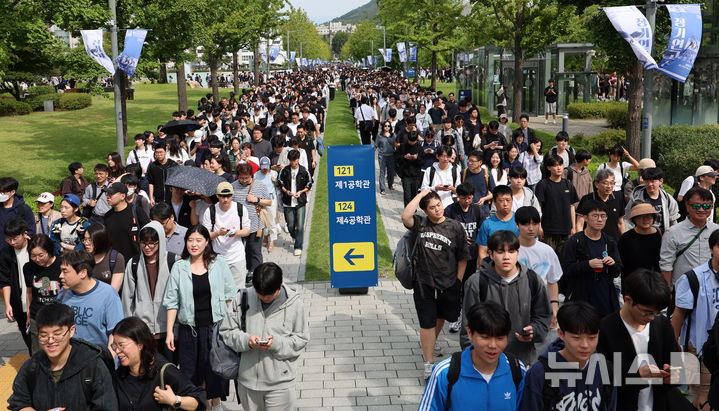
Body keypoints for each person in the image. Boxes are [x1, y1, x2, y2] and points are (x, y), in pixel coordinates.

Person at [163, 225, 236, 410]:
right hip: (189, 331)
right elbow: (172, 302)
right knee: (191, 373)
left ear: (206, 242)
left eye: (198, 240)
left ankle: (216, 404)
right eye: (190, 240)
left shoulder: (219, 263)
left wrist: (231, 325)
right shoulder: (179, 267)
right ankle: (201, 405)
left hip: (215, 328)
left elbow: (230, 295)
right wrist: (170, 332)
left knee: (215, 370)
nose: (193, 245)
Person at [219, 262, 309, 411]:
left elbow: (301, 339)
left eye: (269, 295)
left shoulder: (294, 303)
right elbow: (227, 331)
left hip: (280, 383)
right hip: (247, 382)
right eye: (259, 294)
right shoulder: (242, 298)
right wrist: (246, 341)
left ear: (281, 283)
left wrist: (276, 344)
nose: (264, 298)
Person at [599, 269, 692, 411]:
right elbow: (601, 379)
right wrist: (637, 376)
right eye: (647, 313)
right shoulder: (605, 329)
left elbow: (676, 365)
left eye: (657, 313)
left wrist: (673, 376)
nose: (652, 318)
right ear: (628, 300)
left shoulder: (662, 325)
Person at [402, 190, 470, 378]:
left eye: (438, 205)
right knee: (427, 322)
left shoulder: (455, 227)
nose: (437, 209)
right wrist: (421, 194)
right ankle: (429, 363)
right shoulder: (420, 224)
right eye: (432, 207)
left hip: (448, 283)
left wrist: (458, 281)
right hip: (423, 283)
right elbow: (405, 216)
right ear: (425, 211)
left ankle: (432, 341)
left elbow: (463, 257)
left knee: (441, 316)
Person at [461, 230, 552, 364]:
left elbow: (543, 315)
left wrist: (534, 330)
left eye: (511, 251)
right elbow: (467, 326)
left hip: (523, 359)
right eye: (500, 252)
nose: (506, 257)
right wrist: (472, 359)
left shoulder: (532, 279)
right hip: (487, 360)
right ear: (491, 254)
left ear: (518, 253)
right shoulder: (476, 282)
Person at [7, 304, 119, 411]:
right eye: (44, 335)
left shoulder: (93, 366)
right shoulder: (31, 366)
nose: (50, 340)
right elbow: (19, 403)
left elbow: (108, 406)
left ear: (71, 331)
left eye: (57, 334)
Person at [419, 302, 526, 411]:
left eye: (500, 338)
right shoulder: (445, 373)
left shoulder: (516, 370)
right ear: (470, 333)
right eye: (485, 337)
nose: (493, 345)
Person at [520, 301, 616, 410]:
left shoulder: (606, 371)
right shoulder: (540, 373)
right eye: (576, 338)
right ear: (561, 334)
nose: (585, 345)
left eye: (592, 338)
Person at [112, 317, 206, 410]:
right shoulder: (118, 377)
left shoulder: (164, 371)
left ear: (140, 344)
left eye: (121, 345)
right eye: (115, 345)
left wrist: (175, 400)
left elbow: (198, 400)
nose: (117, 350)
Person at [671, 228, 719, 409]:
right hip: (702, 346)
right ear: (711, 249)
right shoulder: (693, 278)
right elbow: (679, 313)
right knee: (706, 395)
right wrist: (674, 344)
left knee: (701, 395)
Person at [121, 221, 178, 363]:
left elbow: (180, 297)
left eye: (152, 243)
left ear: (161, 241)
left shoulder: (173, 261)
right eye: (143, 243)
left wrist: (176, 328)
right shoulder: (133, 263)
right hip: (143, 331)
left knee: (168, 369)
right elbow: (127, 298)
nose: (147, 247)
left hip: (168, 330)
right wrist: (130, 329)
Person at [562, 199, 622, 317]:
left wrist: (612, 264)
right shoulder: (575, 241)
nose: (600, 219)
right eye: (595, 216)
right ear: (585, 218)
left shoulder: (609, 241)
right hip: (581, 299)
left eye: (603, 216)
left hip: (605, 299)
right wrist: (588, 264)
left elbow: (617, 271)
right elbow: (566, 269)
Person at [444, 183, 489, 333]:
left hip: (472, 256)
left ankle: (466, 315)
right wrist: (459, 238)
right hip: (454, 257)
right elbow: (444, 230)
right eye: (464, 198)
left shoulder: (477, 210)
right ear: (458, 196)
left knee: (468, 287)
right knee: (455, 286)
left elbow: (483, 231)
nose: (467, 201)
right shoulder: (450, 210)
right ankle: (455, 317)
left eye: (470, 198)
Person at [57, 249, 123, 347]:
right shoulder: (64, 292)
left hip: (98, 355)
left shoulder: (108, 294)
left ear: (83, 273)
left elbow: (115, 333)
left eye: (65, 271)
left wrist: (110, 356)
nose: (60, 276)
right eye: (61, 271)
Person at [516, 206, 562, 334]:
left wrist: (554, 307)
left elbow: (552, 281)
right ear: (517, 225)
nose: (531, 228)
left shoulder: (547, 251)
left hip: (541, 307)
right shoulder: (510, 251)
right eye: (526, 224)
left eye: (535, 223)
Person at [660, 186, 719, 286]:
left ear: (712, 207)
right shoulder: (672, 232)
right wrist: (667, 291)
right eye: (696, 206)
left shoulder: (716, 230)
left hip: (712, 288)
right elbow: (666, 265)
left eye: (706, 206)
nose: (701, 210)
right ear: (687, 206)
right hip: (683, 289)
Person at [201, 182, 250, 285]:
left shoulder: (240, 209)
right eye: (222, 196)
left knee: (239, 289)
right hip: (216, 257)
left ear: (232, 195)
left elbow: (247, 231)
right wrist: (218, 233)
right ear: (217, 195)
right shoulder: (210, 211)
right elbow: (206, 236)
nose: (226, 199)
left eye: (228, 196)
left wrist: (236, 232)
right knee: (217, 288)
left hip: (237, 257)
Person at [24, 234, 63, 354]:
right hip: (37, 315)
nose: (37, 259)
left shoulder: (62, 264)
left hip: (59, 316)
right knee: (38, 351)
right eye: (33, 256)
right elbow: (29, 292)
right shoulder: (28, 267)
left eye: (41, 255)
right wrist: (28, 313)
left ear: (49, 251)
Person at [535, 155, 578, 257]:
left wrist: (573, 227)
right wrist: (539, 226)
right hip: (548, 230)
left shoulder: (568, 184)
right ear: (548, 168)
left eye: (560, 165)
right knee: (547, 259)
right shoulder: (543, 184)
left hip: (566, 229)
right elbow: (538, 207)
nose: (559, 168)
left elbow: (571, 206)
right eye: (555, 165)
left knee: (564, 260)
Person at [0, 218, 32, 353]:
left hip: (37, 300)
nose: (12, 242)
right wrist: (8, 304)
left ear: (25, 234)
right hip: (18, 301)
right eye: (9, 239)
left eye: (15, 239)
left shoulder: (35, 248)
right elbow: (5, 281)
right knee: (28, 337)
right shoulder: (5, 253)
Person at [104, 182, 151, 261]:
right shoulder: (107, 216)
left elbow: (149, 233)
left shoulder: (136, 212)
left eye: (111, 194)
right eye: (107, 194)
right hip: (115, 261)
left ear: (123, 196)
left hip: (135, 260)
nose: (108, 197)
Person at [625, 167, 679, 233]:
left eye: (653, 181)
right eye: (647, 181)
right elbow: (628, 218)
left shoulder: (668, 199)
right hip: (641, 235)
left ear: (661, 181)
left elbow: (673, 221)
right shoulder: (636, 198)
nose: (650, 184)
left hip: (662, 235)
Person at [279, 150, 313, 256]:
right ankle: (295, 236)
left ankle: (298, 246)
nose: (293, 163)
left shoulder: (303, 170)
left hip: (300, 201)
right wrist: (286, 191)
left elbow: (309, 183)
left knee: (300, 226)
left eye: (295, 160)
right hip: (288, 201)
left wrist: (301, 192)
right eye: (291, 161)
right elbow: (280, 182)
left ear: (298, 159)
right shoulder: (285, 170)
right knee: (290, 225)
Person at [576, 169, 626, 241]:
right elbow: (580, 223)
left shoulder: (618, 198)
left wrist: (624, 240)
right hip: (591, 241)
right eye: (605, 183)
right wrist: (580, 241)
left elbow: (620, 223)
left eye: (612, 183)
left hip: (613, 241)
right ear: (596, 184)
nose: (609, 186)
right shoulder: (587, 199)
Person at [477, 185, 520, 262]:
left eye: (508, 200)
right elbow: (482, 252)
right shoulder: (487, 224)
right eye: (501, 200)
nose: (505, 204)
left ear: (512, 200)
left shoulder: (520, 221)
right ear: (494, 202)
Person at [619, 203, 662, 277]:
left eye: (648, 216)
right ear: (634, 219)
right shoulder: (626, 238)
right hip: (633, 279)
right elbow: (621, 262)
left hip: (656, 279)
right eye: (640, 217)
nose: (645, 219)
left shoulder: (660, 235)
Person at [83, 223, 125, 291]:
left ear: (100, 240)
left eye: (90, 240)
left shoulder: (115, 258)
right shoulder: (83, 258)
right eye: (85, 239)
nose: (86, 243)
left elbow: (113, 290)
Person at [0, 176, 36, 251]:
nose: (0, 194)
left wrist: (24, 240)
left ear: (13, 192)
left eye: (3, 192)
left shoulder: (24, 209)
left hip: (17, 250)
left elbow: (31, 229)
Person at [395, 130, 425, 206]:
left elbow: (423, 161)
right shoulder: (403, 146)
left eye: (413, 141)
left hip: (416, 175)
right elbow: (396, 159)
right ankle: (407, 210)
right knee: (407, 195)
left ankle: (413, 209)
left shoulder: (419, 148)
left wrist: (416, 158)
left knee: (414, 195)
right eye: (410, 141)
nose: (411, 143)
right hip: (406, 174)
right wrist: (404, 157)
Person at [375, 120, 396, 195]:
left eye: (388, 126)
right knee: (382, 172)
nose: (387, 127)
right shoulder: (379, 135)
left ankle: (390, 184)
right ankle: (382, 189)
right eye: (385, 126)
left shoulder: (393, 135)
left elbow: (396, 145)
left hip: (391, 156)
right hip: (382, 156)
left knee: (391, 172)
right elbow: (376, 145)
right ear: (383, 127)